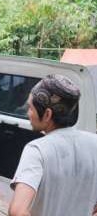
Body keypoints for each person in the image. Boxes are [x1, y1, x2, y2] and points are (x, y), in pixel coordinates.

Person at [9, 74, 97, 216]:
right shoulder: (94, 143)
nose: (28, 113)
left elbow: (17, 211)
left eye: (31, 108)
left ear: (47, 114)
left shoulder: (37, 150)